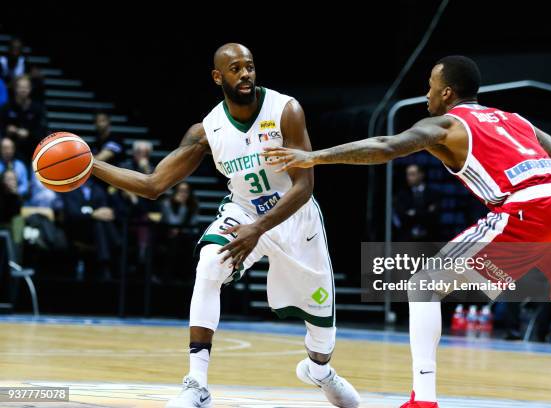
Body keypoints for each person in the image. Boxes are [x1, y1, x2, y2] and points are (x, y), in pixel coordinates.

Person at [263, 55, 551, 407]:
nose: (425, 91)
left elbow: (385, 147)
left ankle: (423, 399)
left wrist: (314, 157)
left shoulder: (447, 126)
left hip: (528, 208)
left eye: (430, 84)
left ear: (446, 92)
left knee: (423, 284)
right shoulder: (515, 120)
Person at [91, 43, 360, 408]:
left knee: (322, 334)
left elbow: (304, 186)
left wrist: (260, 228)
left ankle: (320, 371)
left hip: (295, 218)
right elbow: (153, 186)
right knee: (210, 264)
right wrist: (90, 165)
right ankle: (196, 383)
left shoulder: (285, 110)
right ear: (218, 77)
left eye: (249, 66)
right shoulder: (207, 129)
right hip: (245, 212)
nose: (245, 74)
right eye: (235, 69)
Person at [0, 75, 46, 160]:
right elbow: (2, 126)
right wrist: (7, 130)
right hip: (11, 147)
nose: (23, 90)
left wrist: (28, 134)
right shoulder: (6, 108)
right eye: (20, 87)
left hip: (32, 146)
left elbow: (42, 131)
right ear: (15, 88)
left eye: (26, 87)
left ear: (30, 89)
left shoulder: (37, 108)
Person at [393, 164, 439, 241]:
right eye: (408, 174)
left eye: (412, 174)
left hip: (430, 240)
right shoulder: (402, 195)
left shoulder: (433, 194)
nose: (409, 177)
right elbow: (401, 217)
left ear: (421, 175)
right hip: (407, 240)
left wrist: (413, 213)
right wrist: (425, 211)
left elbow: (434, 217)